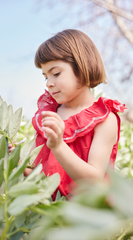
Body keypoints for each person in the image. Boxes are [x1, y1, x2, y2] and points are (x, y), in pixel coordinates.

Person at [26, 29, 126, 200]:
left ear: (82, 67)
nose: (49, 83)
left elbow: (94, 179)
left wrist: (58, 146)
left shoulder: (104, 119)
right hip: (49, 212)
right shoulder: (49, 113)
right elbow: (45, 174)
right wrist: (21, 168)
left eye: (56, 73)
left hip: (86, 215)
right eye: (45, 77)